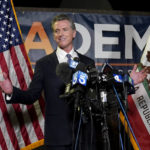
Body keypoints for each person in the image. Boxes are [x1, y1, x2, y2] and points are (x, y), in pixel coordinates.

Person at [0, 14, 147, 150]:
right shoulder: (44, 64)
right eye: (57, 31)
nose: (61, 34)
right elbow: (31, 96)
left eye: (65, 29)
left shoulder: (87, 62)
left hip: (86, 137)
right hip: (57, 140)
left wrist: (129, 82)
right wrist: (11, 91)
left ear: (74, 33)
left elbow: (99, 97)